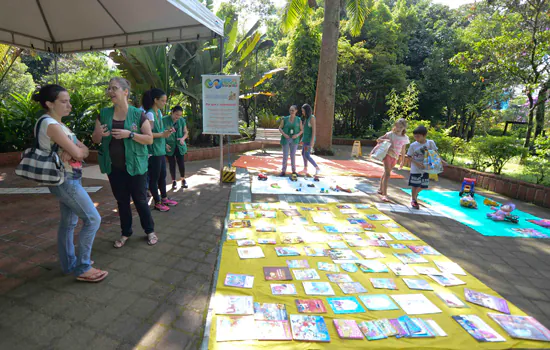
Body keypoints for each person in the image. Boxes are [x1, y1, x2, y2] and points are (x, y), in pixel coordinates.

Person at [33, 84, 107, 282]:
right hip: (64, 180)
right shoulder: (51, 125)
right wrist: (77, 150)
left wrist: (78, 150)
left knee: (69, 222)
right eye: (63, 102)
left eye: (68, 101)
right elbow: (79, 152)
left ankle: (69, 264)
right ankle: (83, 267)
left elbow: (83, 151)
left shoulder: (60, 125)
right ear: (49, 103)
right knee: (93, 219)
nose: (69, 106)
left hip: (71, 177)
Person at [92, 77, 159, 248]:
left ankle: (150, 230)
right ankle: (125, 232)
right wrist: (101, 134)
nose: (110, 91)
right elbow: (95, 139)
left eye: (114, 88)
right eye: (109, 88)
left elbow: (149, 139)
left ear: (125, 92)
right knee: (122, 201)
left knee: (140, 200)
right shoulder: (104, 113)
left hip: (136, 166)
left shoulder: (138, 114)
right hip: (114, 167)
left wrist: (129, 134)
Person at [142, 88, 178, 211]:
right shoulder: (150, 114)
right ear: (155, 100)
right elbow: (148, 134)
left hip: (160, 150)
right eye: (162, 101)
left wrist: (165, 139)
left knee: (162, 175)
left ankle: (164, 198)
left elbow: (160, 132)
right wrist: (162, 135)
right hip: (153, 152)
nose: (164, 103)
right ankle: (157, 202)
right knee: (154, 178)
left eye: (165, 101)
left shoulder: (159, 113)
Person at [406, 125, 446, 209]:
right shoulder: (413, 145)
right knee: (415, 184)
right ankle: (413, 200)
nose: (416, 138)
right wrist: (417, 163)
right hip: (416, 168)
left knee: (424, 185)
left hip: (426, 168)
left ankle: (415, 194)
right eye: (415, 136)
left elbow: (435, 153)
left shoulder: (430, 143)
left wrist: (441, 161)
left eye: (418, 136)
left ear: (424, 135)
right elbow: (409, 156)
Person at [376, 118, 409, 202]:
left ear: (404, 128)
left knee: (386, 173)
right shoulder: (390, 134)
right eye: (397, 126)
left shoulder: (405, 138)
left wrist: (402, 161)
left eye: (400, 127)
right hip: (387, 155)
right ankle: (384, 194)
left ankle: (380, 188)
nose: (398, 129)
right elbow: (378, 140)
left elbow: (403, 149)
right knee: (387, 174)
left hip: (395, 157)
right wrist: (385, 140)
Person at [163, 106, 189, 190]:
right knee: (172, 164)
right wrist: (164, 144)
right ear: (172, 112)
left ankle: (183, 179)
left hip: (179, 145)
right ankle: (173, 181)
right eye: (176, 115)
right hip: (169, 145)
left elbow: (186, 132)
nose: (178, 117)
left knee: (181, 163)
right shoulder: (164, 120)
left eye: (180, 115)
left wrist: (183, 138)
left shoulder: (181, 120)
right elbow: (160, 133)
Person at [278, 105, 303, 177]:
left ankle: (294, 171)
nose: (291, 112)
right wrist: (284, 134)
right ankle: (283, 171)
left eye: (293, 110)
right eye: (290, 110)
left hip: (294, 139)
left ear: (296, 111)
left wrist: (297, 135)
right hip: (286, 139)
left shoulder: (298, 120)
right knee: (285, 155)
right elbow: (280, 128)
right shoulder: (285, 119)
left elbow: (302, 130)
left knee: (293, 155)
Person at [300, 104, 321, 176]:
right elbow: (305, 130)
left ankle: (317, 168)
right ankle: (305, 168)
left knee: (307, 155)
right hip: (305, 140)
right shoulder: (306, 118)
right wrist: (302, 139)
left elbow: (313, 131)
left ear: (306, 110)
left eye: (303, 111)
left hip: (309, 141)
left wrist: (312, 141)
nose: (302, 112)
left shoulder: (312, 118)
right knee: (303, 154)